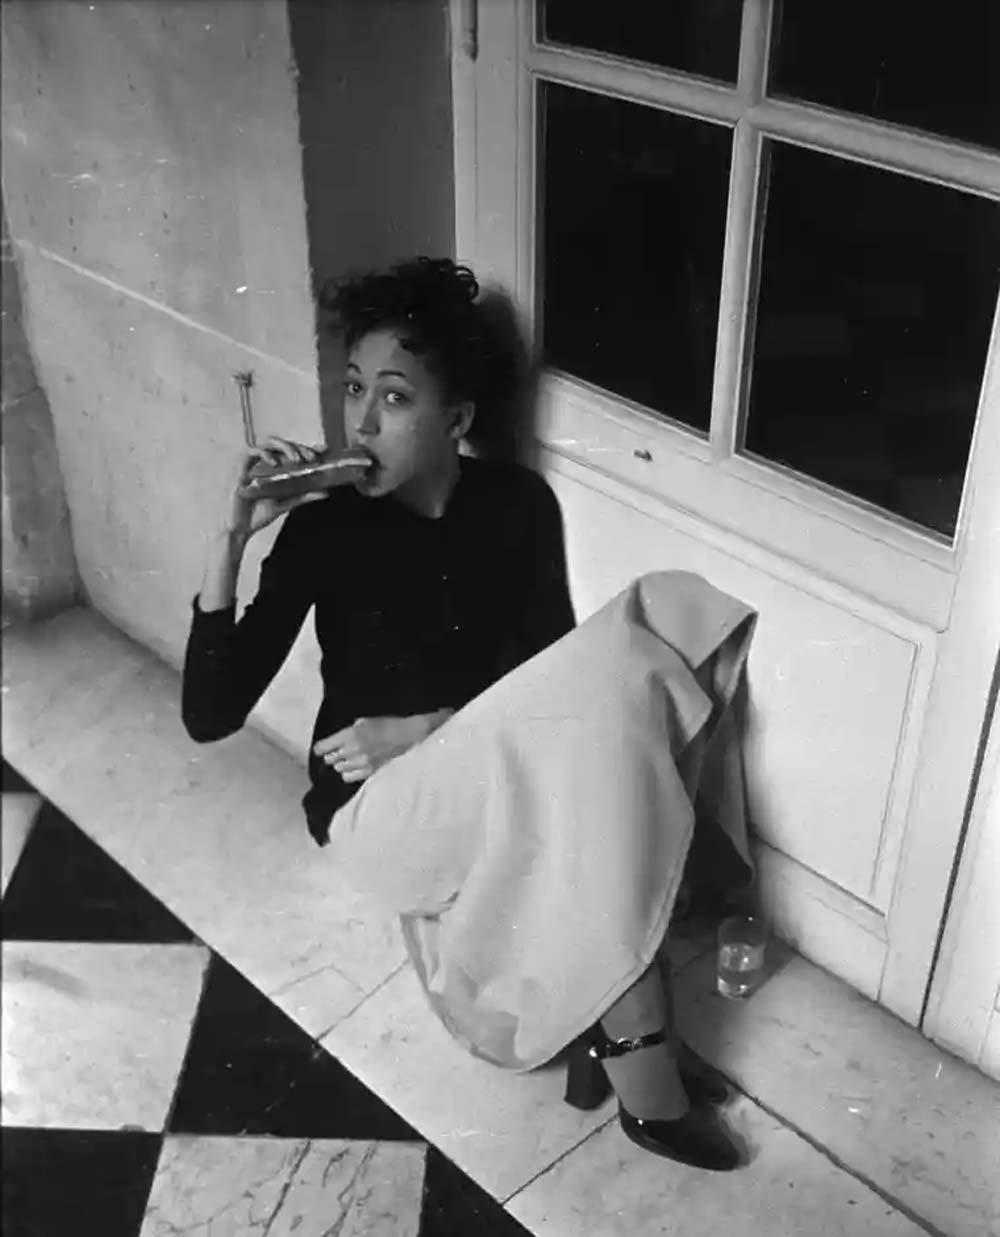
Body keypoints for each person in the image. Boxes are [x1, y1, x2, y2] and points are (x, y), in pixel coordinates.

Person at [181, 257, 745, 1171]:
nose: (361, 421)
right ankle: (645, 1055)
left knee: (654, 627)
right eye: (354, 388)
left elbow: (551, 682)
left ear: (457, 419)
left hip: (486, 768)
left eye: (395, 397)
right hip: (379, 811)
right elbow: (209, 714)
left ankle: (624, 1025)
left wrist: (431, 725)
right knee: (605, 714)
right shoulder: (323, 528)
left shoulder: (518, 505)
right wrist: (231, 538)